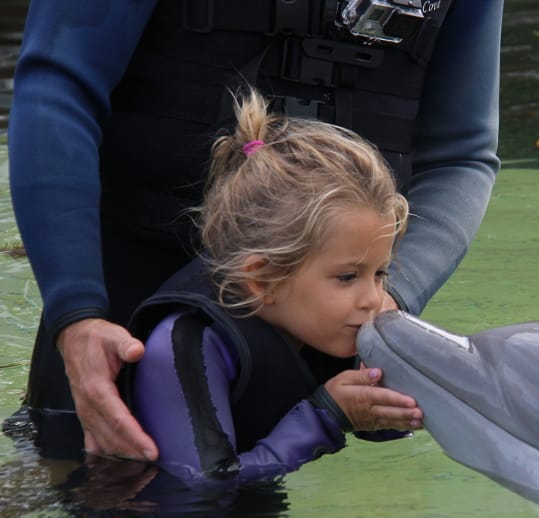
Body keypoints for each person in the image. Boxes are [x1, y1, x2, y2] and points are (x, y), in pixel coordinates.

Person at [6, 0, 502, 459]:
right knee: (97, 509)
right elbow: (58, 85)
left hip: (321, 306)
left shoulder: (364, 298)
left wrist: (393, 294)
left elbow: (461, 155)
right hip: (122, 304)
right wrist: (78, 314)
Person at [126, 88, 420, 483]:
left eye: (380, 273)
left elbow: (375, 422)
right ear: (263, 279)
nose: (373, 299)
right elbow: (200, 492)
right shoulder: (185, 344)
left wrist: (391, 397)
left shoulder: (323, 321)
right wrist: (329, 416)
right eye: (348, 277)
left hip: (249, 505)